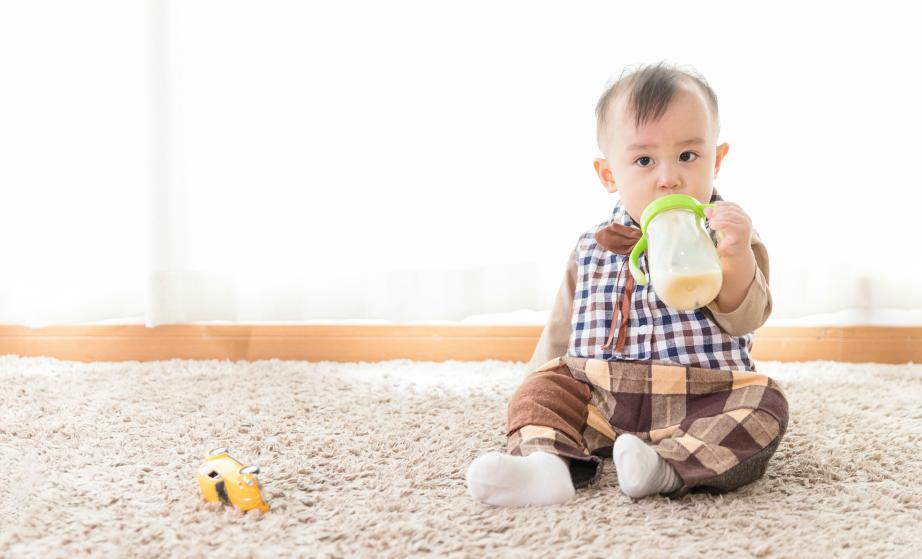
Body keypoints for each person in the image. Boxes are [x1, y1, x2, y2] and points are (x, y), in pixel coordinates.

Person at [465, 61, 789, 506]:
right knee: (542, 390)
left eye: (688, 156)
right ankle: (547, 467)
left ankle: (666, 468)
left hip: (700, 396)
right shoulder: (592, 247)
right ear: (609, 175)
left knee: (765, 402)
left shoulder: (727, 236)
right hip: (602, 396)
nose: (668, 177)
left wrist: (734, 256)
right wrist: (536, 390)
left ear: (717, 159)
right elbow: (561, 330)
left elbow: (745, 315)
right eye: (644, 160)